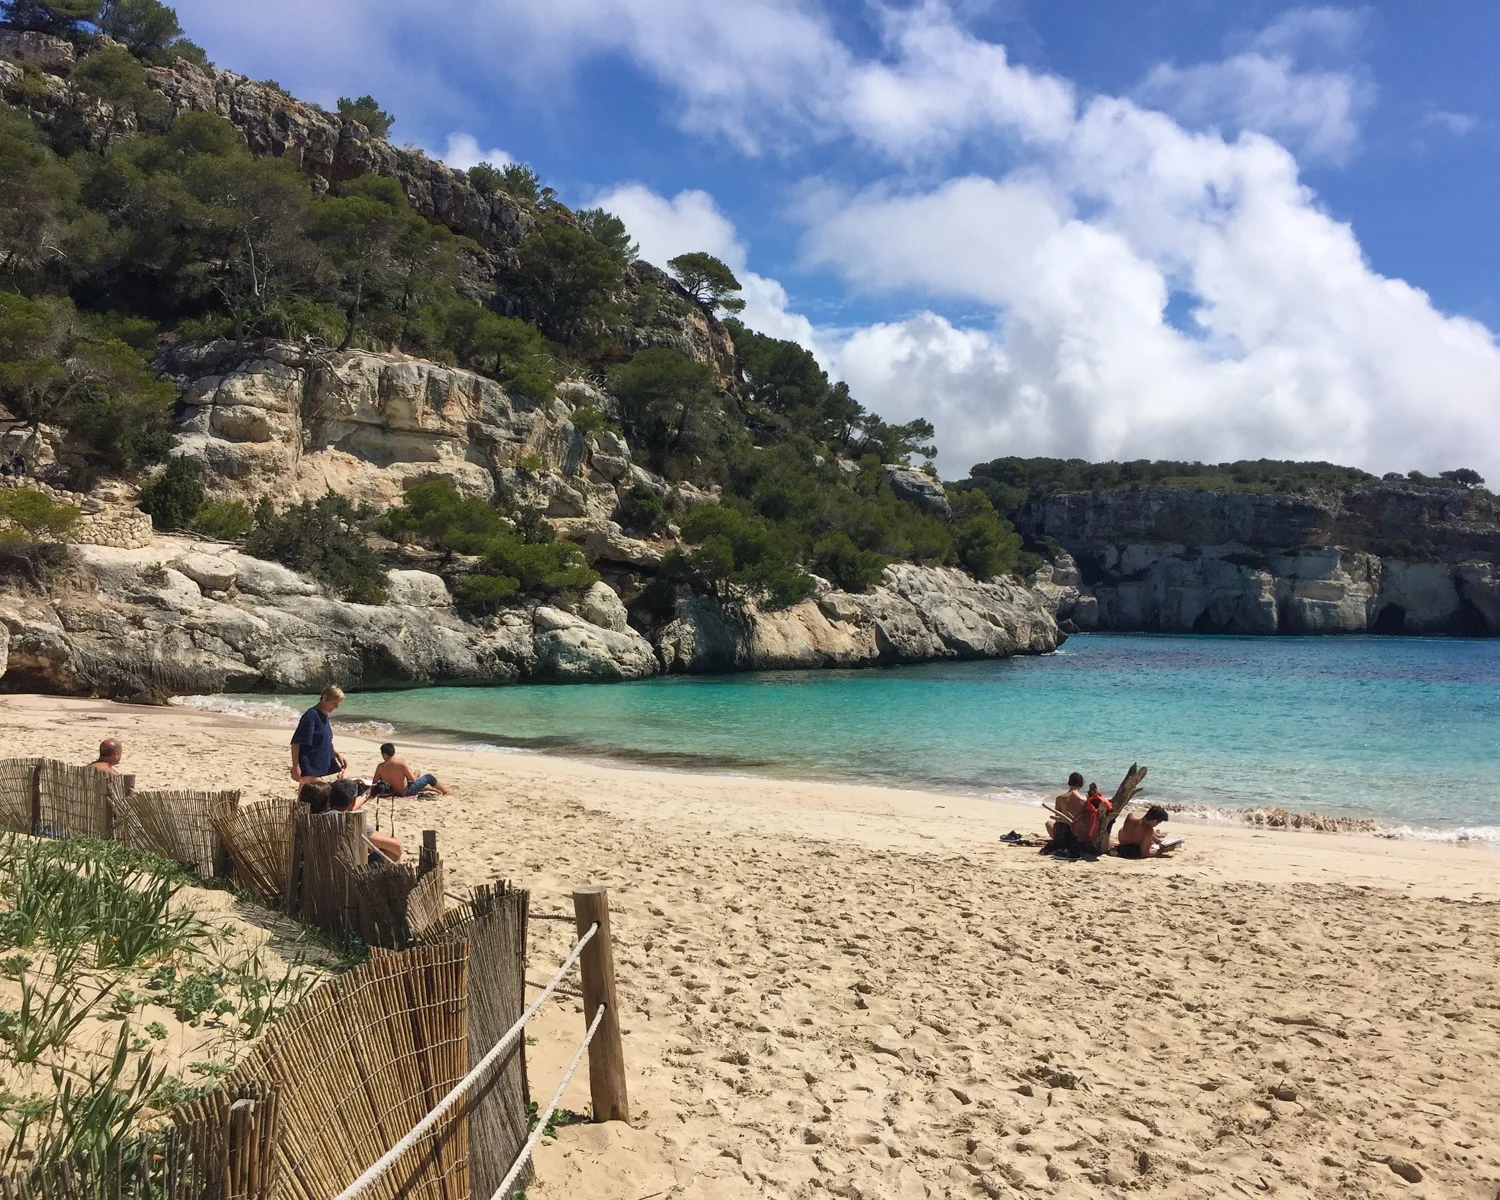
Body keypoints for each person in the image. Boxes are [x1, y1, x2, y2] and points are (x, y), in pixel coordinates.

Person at [291, 685, 348, 784]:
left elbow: (324, 741)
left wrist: (337, 755)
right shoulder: (311, 715)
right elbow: (296, 742)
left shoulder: (324, 715)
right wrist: (296, 766)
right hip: (309, 766)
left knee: (309, 797)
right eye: (334, 703)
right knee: (317, 794)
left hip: (318, 766)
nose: (336, 707)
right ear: (325, 698)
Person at [371, 743, 449, 797]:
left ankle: (432, 789)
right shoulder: (401, 763)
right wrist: (416, 773)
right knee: (429, 777)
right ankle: (445, 792)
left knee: (406, 778)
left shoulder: (380, 767)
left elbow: (374, 782)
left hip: (392, 792)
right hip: (405, 792)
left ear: (385, 754)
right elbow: (413, 780)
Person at [1115, 805, 1182, 858]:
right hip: (1132, 850)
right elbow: (1145, 853)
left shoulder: (1130, 817)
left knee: (1149, 835)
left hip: (1122, 842)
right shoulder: (1148, 831)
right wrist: (1162, 850)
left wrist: (1156, 838)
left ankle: (1157, 839)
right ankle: (1160, 842)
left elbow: (1139, 827)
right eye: (1158, 823)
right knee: (1155, 843)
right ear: (1155, 821)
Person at [1045, 772, 1087, 840]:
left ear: (1069, 783)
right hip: (1080, 833)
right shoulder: (1085, 799)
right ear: (1081, 784)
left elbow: (1057, 820)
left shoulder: (1060, 798)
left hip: (1064, 834)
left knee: (1048, 823)